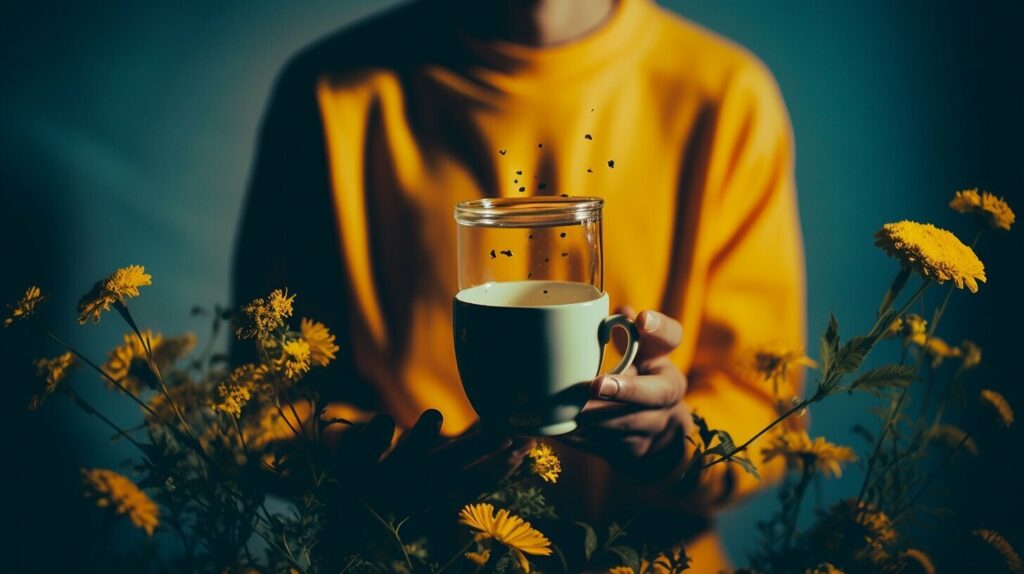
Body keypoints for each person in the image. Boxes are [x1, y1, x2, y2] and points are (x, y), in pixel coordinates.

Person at [233, 0, 805, 571]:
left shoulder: (725, 96)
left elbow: (767, 409)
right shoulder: (332, 93)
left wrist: (673, 443)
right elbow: (260, 406)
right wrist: (374, 469)